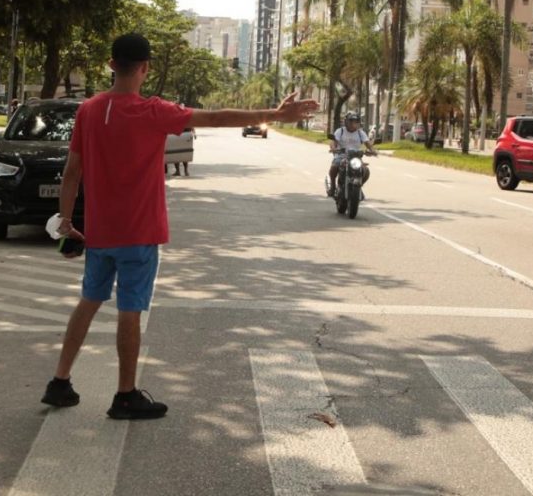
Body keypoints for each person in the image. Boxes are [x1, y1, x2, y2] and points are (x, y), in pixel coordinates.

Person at [42, 33, 317, 419]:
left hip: (99, 232)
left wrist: (66, 222)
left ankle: (59, 381)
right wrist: (273, 115)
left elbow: (72, 172)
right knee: (130, 310)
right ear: (145, 68)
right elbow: (217, 118)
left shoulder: (89, 110)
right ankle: (124, 395)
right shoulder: (153, 111)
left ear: (110, 64)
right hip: (138, 233)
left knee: (88, 302)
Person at [327, 112, 376, 195]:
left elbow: (367, 144)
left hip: (356, 157)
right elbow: (333, 142)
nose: (353, 124)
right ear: (346, 122)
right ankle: (332, 186)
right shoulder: (341, 131)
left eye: (356, 122)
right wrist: (334, 149)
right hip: (342, 155)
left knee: (365, 171)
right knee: (334, 167)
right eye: (351, 121)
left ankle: (358, 187)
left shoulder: (360, 133)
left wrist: (372, 150)